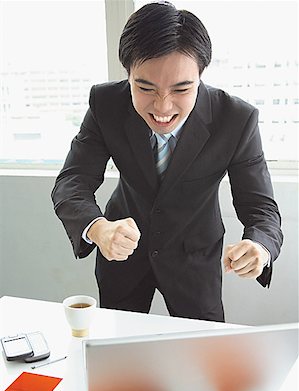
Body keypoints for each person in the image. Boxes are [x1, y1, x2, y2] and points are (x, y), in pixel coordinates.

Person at [52, 1, 283, 321]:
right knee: (119, 355)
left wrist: (260, 247)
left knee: (201, 359)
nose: (163, 107)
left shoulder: (236, 118)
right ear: (128, 74)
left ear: (201, 75)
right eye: (145, 87)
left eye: (181, 89)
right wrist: (99, 229)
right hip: (121, 254)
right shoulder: (106, 104)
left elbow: (261, 209)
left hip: (195, 260)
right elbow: (72, 182)